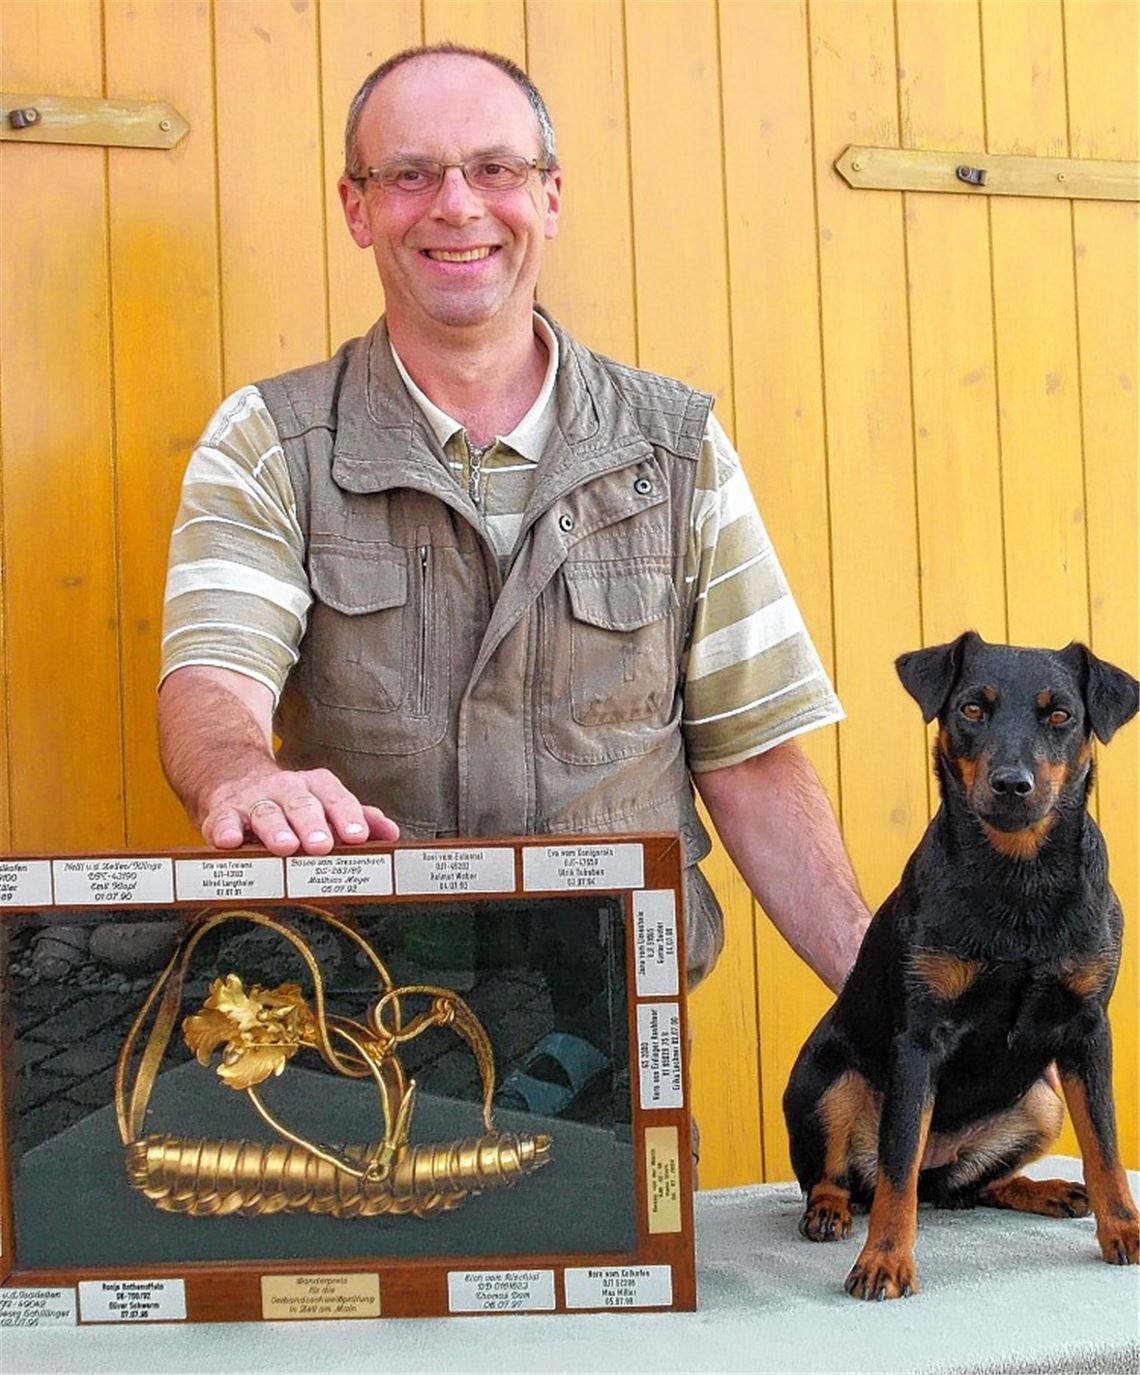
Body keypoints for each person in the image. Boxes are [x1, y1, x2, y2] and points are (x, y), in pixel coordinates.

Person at [158, 44, 869, 1025]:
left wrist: (902, 1013)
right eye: (411, 173)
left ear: (550, 197)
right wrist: (241, 774)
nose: (457, 205)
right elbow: (213, 683)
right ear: (358, 206)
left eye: (494, 169)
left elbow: (749, 762)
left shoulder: (676, 448)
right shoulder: (269, 443)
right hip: (351, 1040)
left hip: (610, 1054)